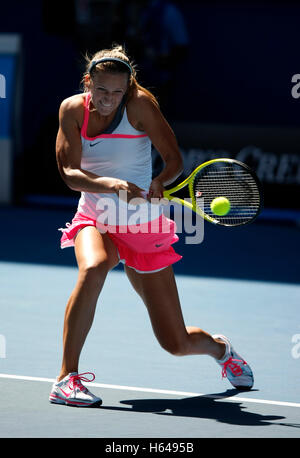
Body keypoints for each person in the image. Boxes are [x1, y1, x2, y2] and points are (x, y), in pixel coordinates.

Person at [49, 44, 253, 407]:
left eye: (116, 92)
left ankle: (221, 350)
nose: (108, 99)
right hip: (96, 216)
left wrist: (160, 182)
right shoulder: (72, 110)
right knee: (95, 265)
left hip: (143, 227)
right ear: (87, 83)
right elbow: (68, 173)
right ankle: (67, 378)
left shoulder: (141, 105)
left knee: (175, 343)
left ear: (127, 88)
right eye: (101, 90)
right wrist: (109, 185)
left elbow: (173, 159)